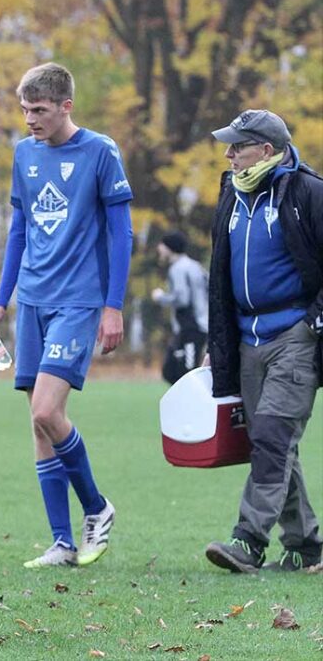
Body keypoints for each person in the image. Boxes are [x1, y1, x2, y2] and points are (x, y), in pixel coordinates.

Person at [0, 63, 132, 568]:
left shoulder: (100, 151)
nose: (30, 119)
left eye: (40, 110)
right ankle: (62, 542)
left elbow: (122, 234)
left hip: (78, 300)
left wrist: (112, 306)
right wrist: (1, 301)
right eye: (25, 109)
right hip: (32, 298)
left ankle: (97, 508)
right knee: (37, 422)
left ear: (66, 106)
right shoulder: (24, 154)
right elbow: (20, 231)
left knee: (48, 411)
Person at [203, 109, 323, 573]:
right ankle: (307, 546)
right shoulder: (232, 194)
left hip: (294, 336)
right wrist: (219, 340)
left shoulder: (308, 192)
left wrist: (314, 322)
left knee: (273, 436)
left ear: (267, 151)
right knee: (271, 443)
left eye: (239, 146)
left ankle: (248, 540)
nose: (229, 154)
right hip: (246, 339)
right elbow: (219, 274)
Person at [151, 231, 209, 384]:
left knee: (186, 374)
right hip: (198, 326)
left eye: (162, 245)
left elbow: (182, 299)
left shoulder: (177, 269)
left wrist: (161, 297)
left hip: (191, 328)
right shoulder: (195, 265)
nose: (159, 249)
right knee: (172, 371)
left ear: (170, 247)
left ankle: (194, 406)